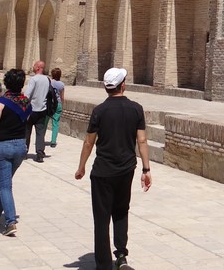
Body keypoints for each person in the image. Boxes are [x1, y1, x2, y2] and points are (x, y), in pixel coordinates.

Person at [75, 67, 151, 270]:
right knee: (121, 211)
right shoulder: (136, 108)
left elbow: (89, 142)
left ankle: (103, 265)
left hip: (102, 172)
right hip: (126, 170)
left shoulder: (99, 111)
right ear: (123, 85)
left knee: (101, 218)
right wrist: (146, 170)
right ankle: (121, 256)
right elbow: (142, 141)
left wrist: (81, 167)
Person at [0, 67, 31, 236]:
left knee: (4, 186)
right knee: (5, 184)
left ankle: (10, 221)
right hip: (20, 147)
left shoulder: (1, 102)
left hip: (3, 147)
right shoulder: (26, 103)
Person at [23, 60, 50, 163]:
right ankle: (39, 154)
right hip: (42, 110)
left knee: (27, 131)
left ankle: (24, 152)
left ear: (38, 67)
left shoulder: (33, 79)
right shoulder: (47, 80)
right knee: (40, 133)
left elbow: (27, 95)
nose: (33, 67)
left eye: (34, 65)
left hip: (31, 110)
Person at [49, 67, 65, 148]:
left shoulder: (49, 83)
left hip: (49, 104)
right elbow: (62, 97)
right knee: (55, 123)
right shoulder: (61, 84)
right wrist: (62, 104)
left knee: (44, 122)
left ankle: (41, 139)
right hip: (57, 104)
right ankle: (53, 141)